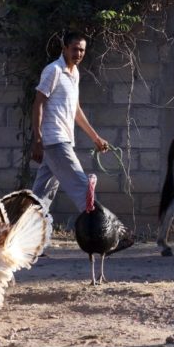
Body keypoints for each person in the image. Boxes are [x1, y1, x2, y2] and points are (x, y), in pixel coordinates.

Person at [31, 31, 109, 212]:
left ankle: (21, 234)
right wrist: (37, 139)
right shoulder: (54, 70)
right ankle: (106, 231)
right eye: (75, 49)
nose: (79, 54)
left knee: (40, 198)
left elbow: (76, 110)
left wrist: (96, 138)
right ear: (64, 48)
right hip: (55, 140)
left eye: (82, 50)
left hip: (63, 139)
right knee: (83, 189)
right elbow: (38, 104)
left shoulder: (75, 74)